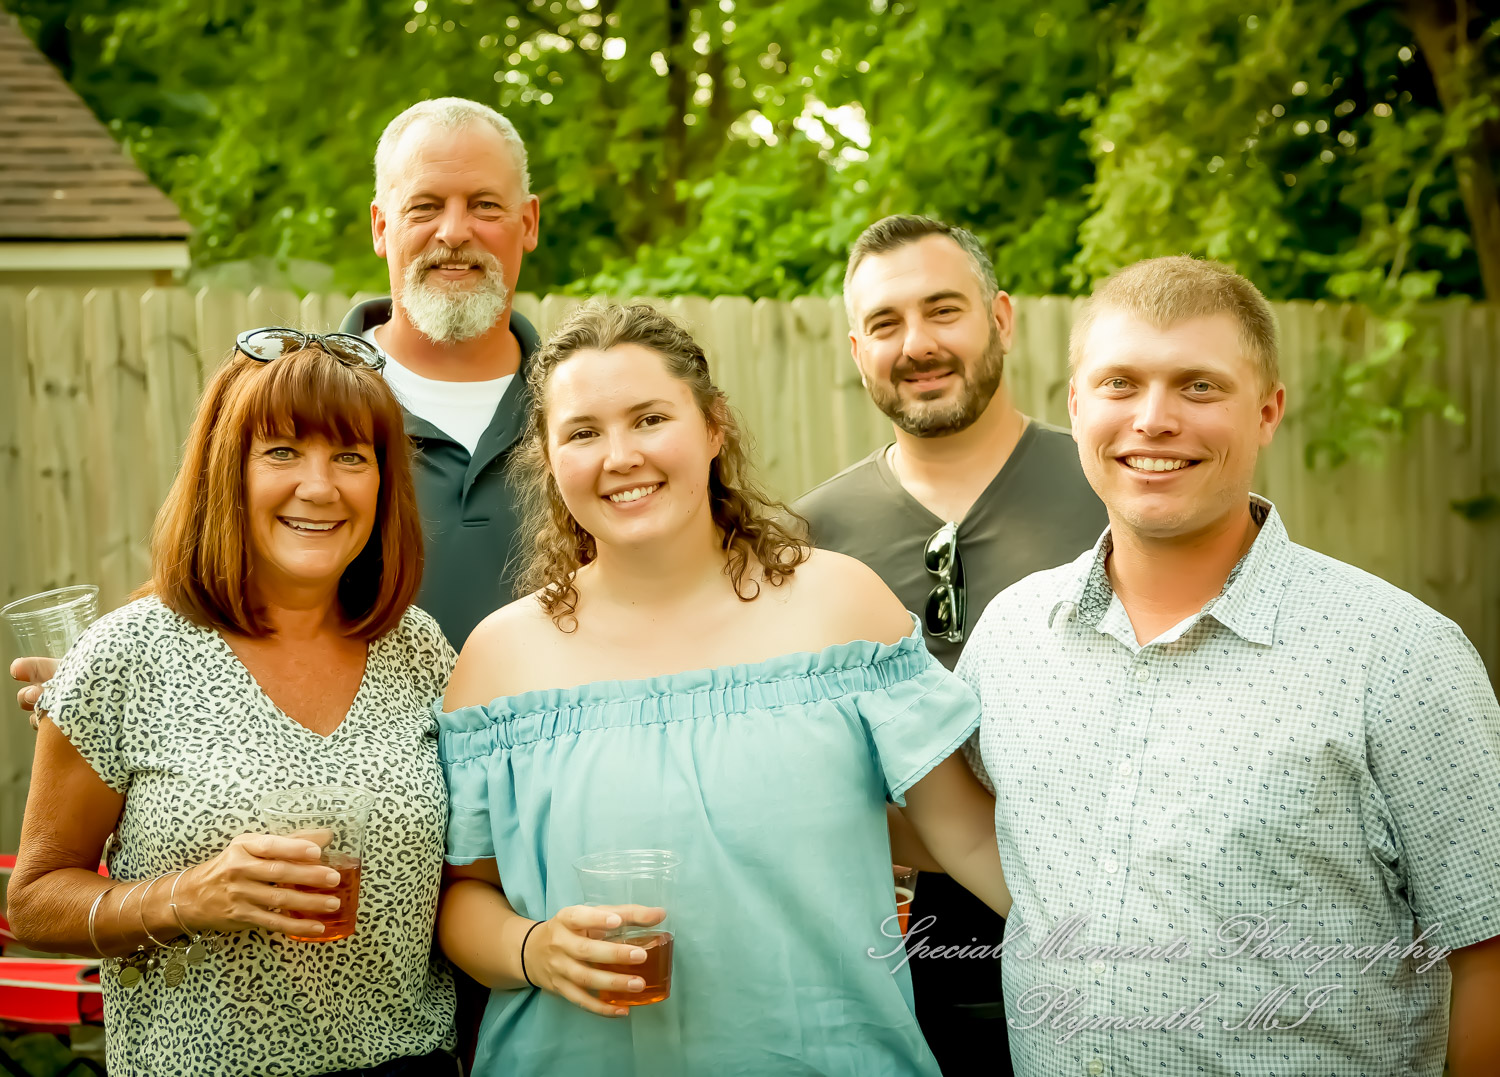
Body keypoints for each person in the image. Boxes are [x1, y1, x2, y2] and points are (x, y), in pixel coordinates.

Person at [433, 302, 1010, 1076]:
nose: (620, 455)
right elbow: (462, 896)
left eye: (649, 418)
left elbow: (964, 835)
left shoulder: (840, 607)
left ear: (713, 427)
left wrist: (1148, 946)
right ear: (546, 456)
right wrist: (533, 950)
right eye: (582, 432)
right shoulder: (498, 658)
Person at [959, 255, 1500, 1077]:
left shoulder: (1399, 657)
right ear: (1076, 406)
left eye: (1199, 387)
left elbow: (1488, 943)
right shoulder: (1012, 638)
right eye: (1119, 384)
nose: (1153, 418)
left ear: (1268, 412)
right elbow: (961, 822)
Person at [6, 330, 458, 1077]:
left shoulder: (418, 648)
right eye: (282, 452)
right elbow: (35, 903)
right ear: (227, 471)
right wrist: (187, 897)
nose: (321, 486)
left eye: (351, 455)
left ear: (384, 482)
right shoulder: (127, 653)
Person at [793, 214, 1106, 1074]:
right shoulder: (809, 537)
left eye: (944, 311)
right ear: (858, 349)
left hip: (1107, 914)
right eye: (886, 324)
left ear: (1000, 318)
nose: (917, 343)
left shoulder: (1111, 488)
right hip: (887, 940)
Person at [340, 96, 542, 649]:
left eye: (484, 205)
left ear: (528, 222)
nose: (453, 232)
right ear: (382, 226)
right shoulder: (299, 412)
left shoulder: (588, 415)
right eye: (425, 207)